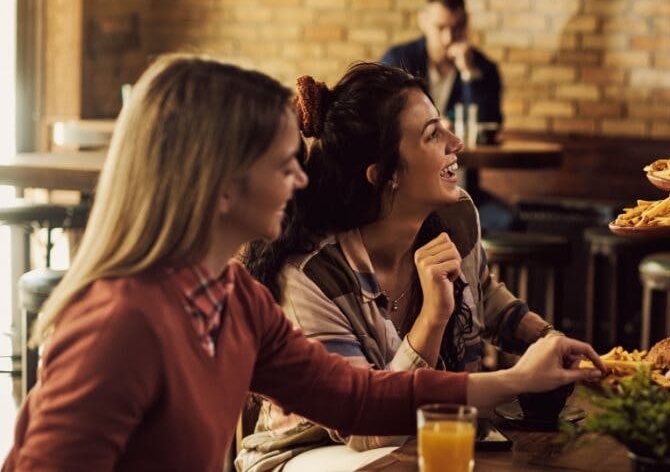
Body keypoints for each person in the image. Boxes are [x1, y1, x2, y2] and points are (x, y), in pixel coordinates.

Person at [2, 56, 602, 472]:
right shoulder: (121, 325)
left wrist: (519, 379)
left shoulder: (233, 298)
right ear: (220, 187)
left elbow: (359, 397)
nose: (300, 178)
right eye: (282, 162)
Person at [237, 63, 564, 470]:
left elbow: (483, 293)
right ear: (383, 175)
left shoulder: (456, 215)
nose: (456, 142)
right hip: (308, 452)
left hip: (420, 434)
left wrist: (546, 339)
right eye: (432, 135)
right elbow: (371, 429)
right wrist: (433, 316)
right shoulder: (313, 277)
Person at [381, 0, 510, 231]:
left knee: (507, 222)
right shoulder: (398, 61)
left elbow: (488, 128)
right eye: (440, 27)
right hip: (407, 189)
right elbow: (382, 124)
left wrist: (469, 74)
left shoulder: (483, 69)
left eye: (457, 27)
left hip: (462, 186)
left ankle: (478, 271)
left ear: (467, 23)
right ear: (423, 21)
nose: (448, 38)